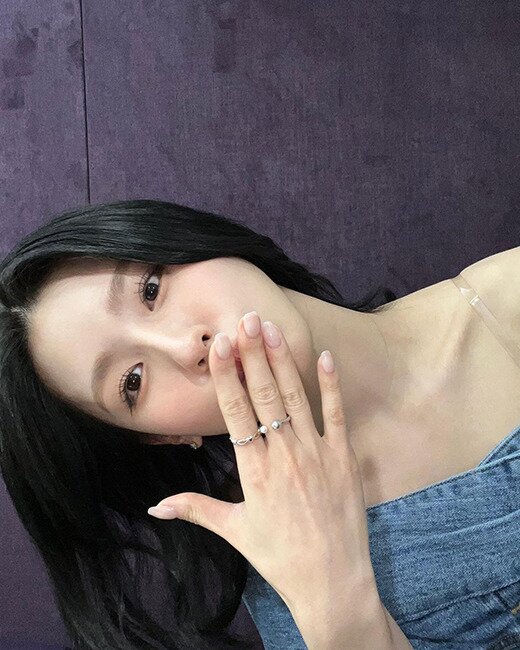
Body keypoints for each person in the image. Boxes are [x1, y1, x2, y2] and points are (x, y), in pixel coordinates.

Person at [0, 199, 518, 649]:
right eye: (132, 382)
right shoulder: (283, 581)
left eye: (151, 289)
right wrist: (338, 610)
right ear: (162, 437)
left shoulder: (504, 296)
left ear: (195, 239)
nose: (186, 346)